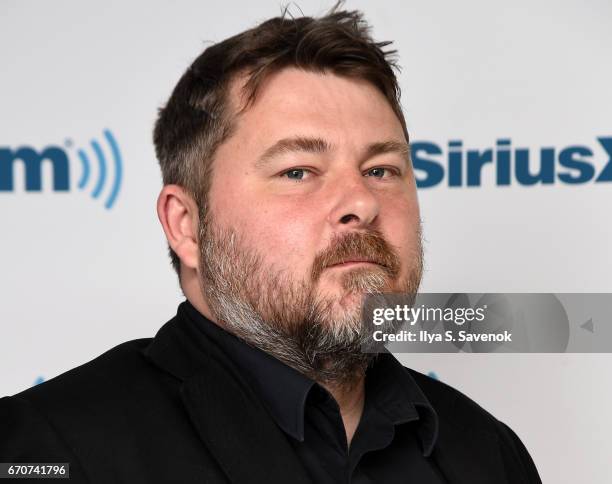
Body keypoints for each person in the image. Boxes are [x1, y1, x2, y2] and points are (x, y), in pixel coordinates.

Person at [0, 4, 541, 483]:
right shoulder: (47, 445)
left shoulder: (488, 451)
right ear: (186, 225)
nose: (361, 201)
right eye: (299, 171)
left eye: (381, 169)